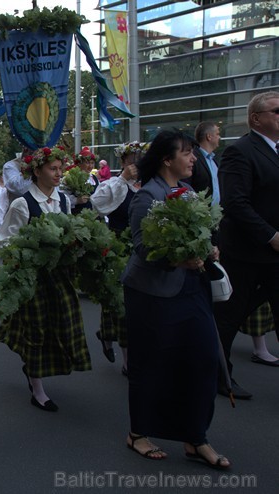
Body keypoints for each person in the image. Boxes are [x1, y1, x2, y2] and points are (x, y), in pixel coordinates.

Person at [122, 129, 229, 469]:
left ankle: (196, 437)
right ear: (167, 159)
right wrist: (179, 260)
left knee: (204, 359)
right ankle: (138, 433)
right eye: (186, 153)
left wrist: (207, 248)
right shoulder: (146, 197)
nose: (193, 159)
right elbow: (142, 248)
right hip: (152, 293)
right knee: (150, 364)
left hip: (191, 288)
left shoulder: (187, 192)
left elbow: (198, 234)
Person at [0, 146, 90, 412]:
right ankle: (36, 387)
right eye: (53, 169)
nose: (59, 173)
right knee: (35, 329)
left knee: (61, 323)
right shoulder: (22, 203)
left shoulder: (63, 200)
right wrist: (30, 252)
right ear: (36, 172)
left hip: (59, 275)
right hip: (33, 277)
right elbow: (6, 242)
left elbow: (69, 231)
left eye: (61, 168)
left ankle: (40, 369)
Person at [214, 91, 279, 400]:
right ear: (257, 119)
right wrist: (271, 235)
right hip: (246, 253)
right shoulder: (240, 151)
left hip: (275, 257)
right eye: (277, 111)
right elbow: (235, 203)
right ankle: (220, 377)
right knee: (229, 318)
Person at [90, 141, 148, 375]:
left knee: (136, 304)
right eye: (131, 160)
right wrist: (123, 179)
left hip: (141, 249)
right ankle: (127, 359)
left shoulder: (148, 185)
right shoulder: (115, 184)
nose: (136, 165)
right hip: (117, 249)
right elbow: (97, 204)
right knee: (119, 302)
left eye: (139, 160)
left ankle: (106, 334)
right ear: (123, 162)